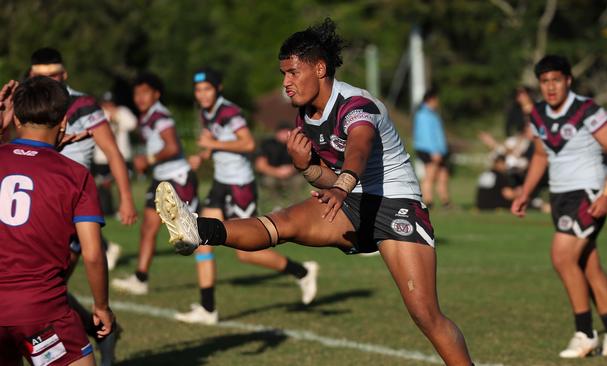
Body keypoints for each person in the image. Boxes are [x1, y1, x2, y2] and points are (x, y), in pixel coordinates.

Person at [156, 19, 473, 365]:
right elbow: (326, 177)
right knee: (282, 222)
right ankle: (197, 229)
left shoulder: (356, 105)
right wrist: (304, 167)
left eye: (292, 73)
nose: (286, 83)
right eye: (283, 74)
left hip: (395, 205)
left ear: (320, 68)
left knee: (425, 314)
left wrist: (339, 185)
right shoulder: (304, 117)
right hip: (349, 200)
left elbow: (359, 150)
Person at [511, 55, 607, 358]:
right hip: (560, 196)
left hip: (588, 193)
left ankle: (585, 333)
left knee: (562, 257)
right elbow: (541, 156)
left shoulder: (586, 110)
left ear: (568, 80)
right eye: (544, 81)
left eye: (556, 80)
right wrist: (526, 191)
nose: (550, 87)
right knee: (587, 263)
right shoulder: (538, 114)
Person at [179, 69, 318, 325]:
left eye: (207, 89)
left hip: (240, 186)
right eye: (198, 91)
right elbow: (217, 144)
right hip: (221, 184)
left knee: (246, 253)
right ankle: (208, 308)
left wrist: (212, 145)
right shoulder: (205, 113)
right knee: (202, 240)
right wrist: (202, 156)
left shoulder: (229, 112)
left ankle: (302, 271)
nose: (202, 95)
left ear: (218, 89)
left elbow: (247, 144)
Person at [29, 47, 134, 366]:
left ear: (65, 76)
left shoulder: (83, 105)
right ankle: (100, 331)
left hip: (73, 206)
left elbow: (112, 151)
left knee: (46, 284)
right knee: (42, 286)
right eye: (40, 77)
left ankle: (86, 337)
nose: (48, 82)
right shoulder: (26, 100)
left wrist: (126, 197)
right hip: (37, 206)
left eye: (54, 76)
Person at [0, 76, 114, 366]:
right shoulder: (75, 176)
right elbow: (92, 254)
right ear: (63, 122)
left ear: (14, 118)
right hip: (41, 314)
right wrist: (101, 306)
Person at [111, 72, 200, 297]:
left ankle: (207, 294)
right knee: (148, 228)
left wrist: (148, 160)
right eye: (136, 93)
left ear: (156, 94)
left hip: (177, 179)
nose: (139, 98)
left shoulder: (160, 116)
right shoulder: (146, 117)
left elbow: (172, 147)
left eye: (144, 93)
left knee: (196, 235)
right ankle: (141, 278)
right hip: (161, 179)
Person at [92, 92, 138, 269]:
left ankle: (121, 208)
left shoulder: (123, 112)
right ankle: (108, 209)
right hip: (101, 158)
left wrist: (116, 116)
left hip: (121, 155)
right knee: (103, 186)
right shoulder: (97, 112)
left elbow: (132, 125)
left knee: (119, 184)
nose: (108, 106)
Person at [412, 85, 452, 209]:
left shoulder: (433, 114)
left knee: (443, 176)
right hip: (429, 150)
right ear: (430, 100)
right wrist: (434, 151)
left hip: (440, 150)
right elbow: (426, 136)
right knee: (430, 175)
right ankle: (428, 201)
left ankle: (446, 202)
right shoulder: (423, 115)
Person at [255, 122, 303, 193]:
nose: (285, 135)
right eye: (283, 132)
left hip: (292, 175)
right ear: (277, 133)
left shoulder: (298, 144)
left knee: (300, 181)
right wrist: (277, 172)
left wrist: (292, 169)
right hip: (272, 175)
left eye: (287, 132)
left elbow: (304, 162)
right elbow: (260, 166)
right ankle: (273, 202)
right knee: (269, 181)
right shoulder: (267, 144)